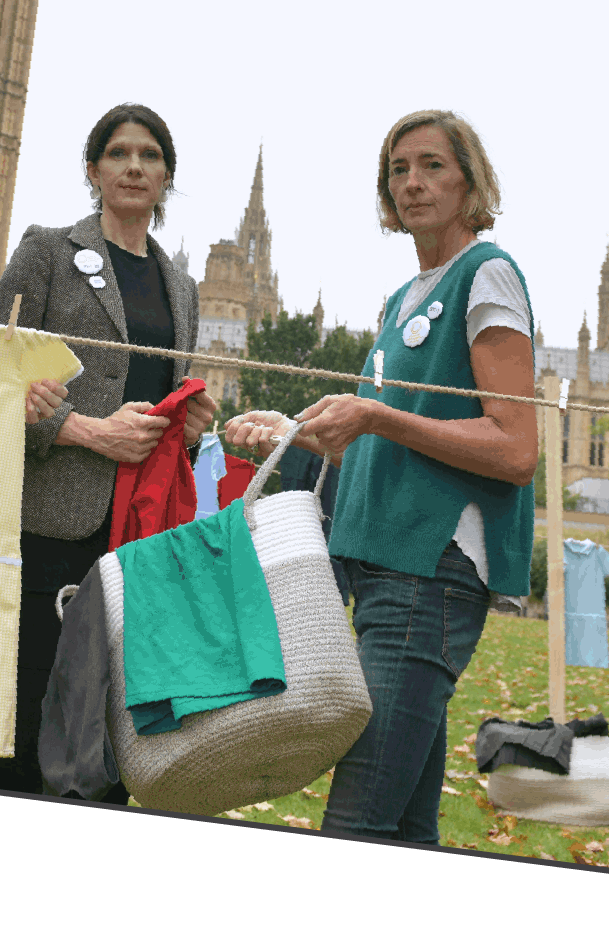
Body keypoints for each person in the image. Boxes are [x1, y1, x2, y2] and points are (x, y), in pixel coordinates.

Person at [226, 109, 537, 845]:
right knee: (402, 827)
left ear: (470, 179)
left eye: (432, 165)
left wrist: (376, 417)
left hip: (427, 573)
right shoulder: (404, 299)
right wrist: (288, 431)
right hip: (381, 570)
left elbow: (514, 445)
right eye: (398, 169)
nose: (411, 183)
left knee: (355, 821)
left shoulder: (485, 273)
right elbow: (383, 444)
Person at [0, 103, 216, 794]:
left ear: (166, 178)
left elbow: (160, 403)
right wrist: (85, 430)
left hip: (136, 536)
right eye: (119, 153)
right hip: (48, 521)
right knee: (21, 718)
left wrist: (186, 429)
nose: (134, 166)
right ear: (92, 169)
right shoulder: (47, 251)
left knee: (108, 731)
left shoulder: (182, 289)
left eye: (150, 156)